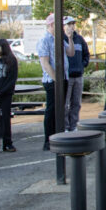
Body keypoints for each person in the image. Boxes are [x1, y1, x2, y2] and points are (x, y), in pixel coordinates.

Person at [37, 13, 72, 151]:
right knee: (51, 110)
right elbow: (45, 63)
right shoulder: (44, 40)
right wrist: (56, 80)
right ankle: (48, 139)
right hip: (52, 81)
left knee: (61, 109)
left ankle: (59, 136)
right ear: (52, 25)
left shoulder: (59, 39)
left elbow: (70, 52)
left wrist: (69, 38)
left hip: (64, 78)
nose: (63, 27)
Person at [63, 16, 90, 131]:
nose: (71, 26)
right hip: (67, 76)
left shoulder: (79, 39)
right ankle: (65, 125)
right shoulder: (61, 39)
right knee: (65, 103)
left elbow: (86, 54)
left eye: (73, 24)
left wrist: (82, 64)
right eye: (69, 24)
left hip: (78, 75)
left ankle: (74, 125)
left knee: (76, 103)